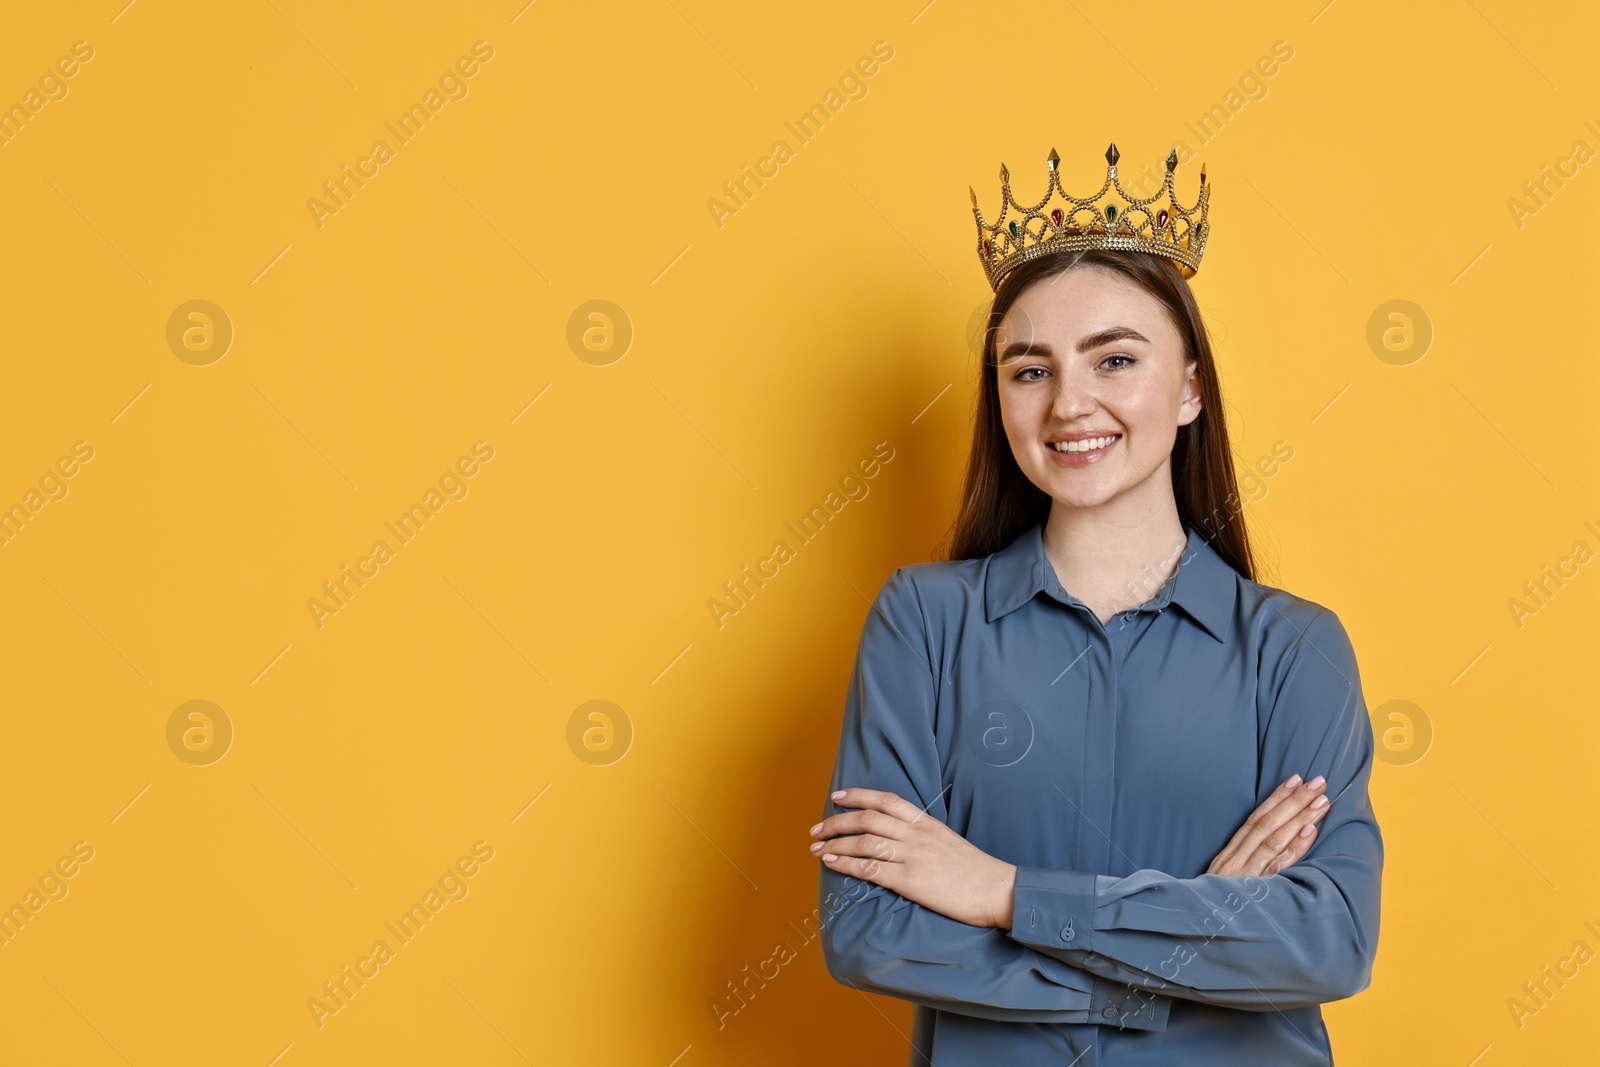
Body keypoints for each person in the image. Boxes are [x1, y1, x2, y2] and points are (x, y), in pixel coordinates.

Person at [808, 144, 1382, 1065]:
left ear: (1191, 388)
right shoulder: (922, 622)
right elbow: (867, 926)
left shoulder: (1295, 647)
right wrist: (1188, 941)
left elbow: (1328, 938)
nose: (1069, 404)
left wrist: (1000, 891)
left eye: (1114, 359)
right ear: (999, 398)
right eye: (1028, 370)